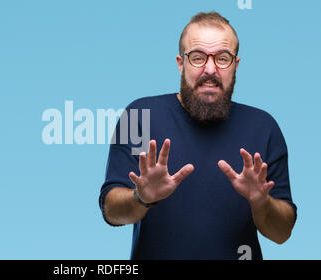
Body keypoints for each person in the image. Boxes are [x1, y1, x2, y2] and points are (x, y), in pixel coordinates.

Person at [98, 11, 297, 260]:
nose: (210, 69)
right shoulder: (140, 116)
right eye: (197, 58)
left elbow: (282, 233)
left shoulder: (264, 127)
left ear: (235, 65)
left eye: (222, 58)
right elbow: (111, 212)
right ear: (181, 63)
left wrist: (261, 202)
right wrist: (142, 197)